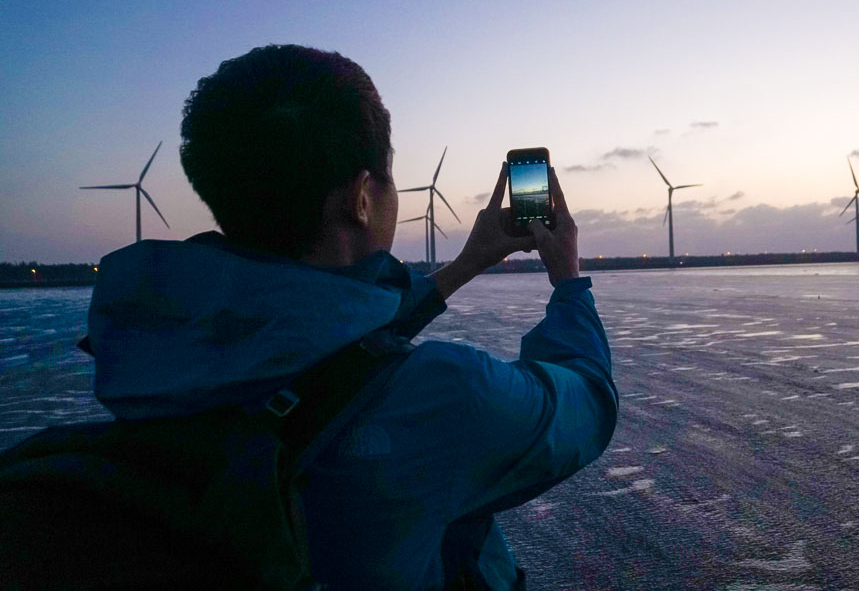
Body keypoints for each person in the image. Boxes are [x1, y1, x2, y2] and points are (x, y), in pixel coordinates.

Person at [83, 44, 617, 588]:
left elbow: (323, 348)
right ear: (362, 198)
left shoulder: (149, 349)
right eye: (388, 179)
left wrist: (466, 264)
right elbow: (588, 405)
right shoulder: (447, 398)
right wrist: (568, 280)